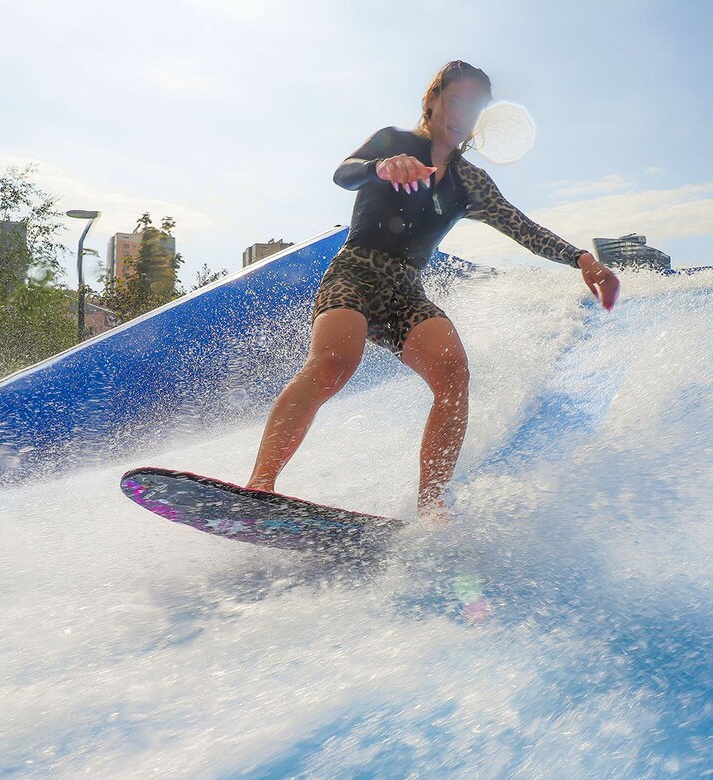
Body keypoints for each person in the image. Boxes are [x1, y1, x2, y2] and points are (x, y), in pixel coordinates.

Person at [247, 60, 620, 518]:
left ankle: (430, 508)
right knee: (333, 363)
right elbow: (344, 173)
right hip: (355, 273)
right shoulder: (394, 141)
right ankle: (260, 485)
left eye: (475, 107)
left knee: (453, 375)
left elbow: (522, 227)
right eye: (456, 100)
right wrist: (381, 167)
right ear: (432, 100)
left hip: (405, 292)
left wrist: (582, 259)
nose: (463, 114)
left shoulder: (470, 182)